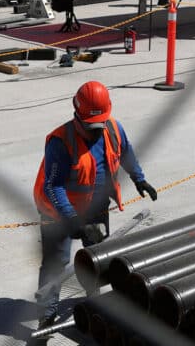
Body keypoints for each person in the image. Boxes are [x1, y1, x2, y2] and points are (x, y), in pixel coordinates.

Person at [31, 81, 157, 340]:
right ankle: (46, 319)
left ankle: (95, 304)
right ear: (77, 116)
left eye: (99, 125)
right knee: (56, 264)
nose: (95, 132)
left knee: (98, 257)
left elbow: (127, 153)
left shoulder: (112, 129)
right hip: (58, 213)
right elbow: (54, 186)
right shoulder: (60, 142)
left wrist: (139, 178)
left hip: (96, 207)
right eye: (90, 127)